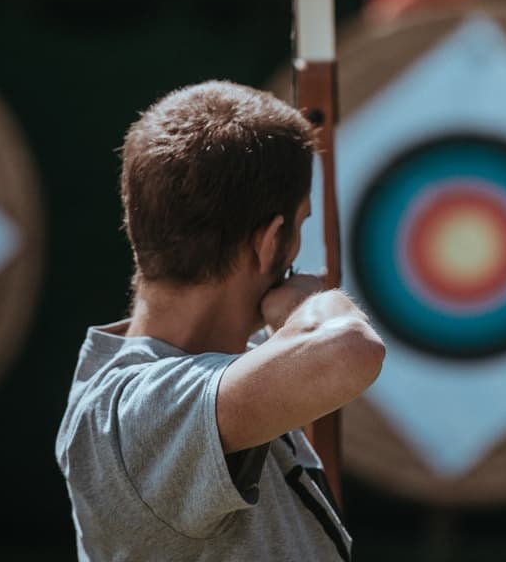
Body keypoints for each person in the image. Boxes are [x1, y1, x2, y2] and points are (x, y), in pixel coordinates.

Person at [55, 79, 385, 561]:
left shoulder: (223, 380)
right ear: (271, 241)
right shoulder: (135, 412)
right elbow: (349, 350)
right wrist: (306, 306)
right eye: (300, 225)